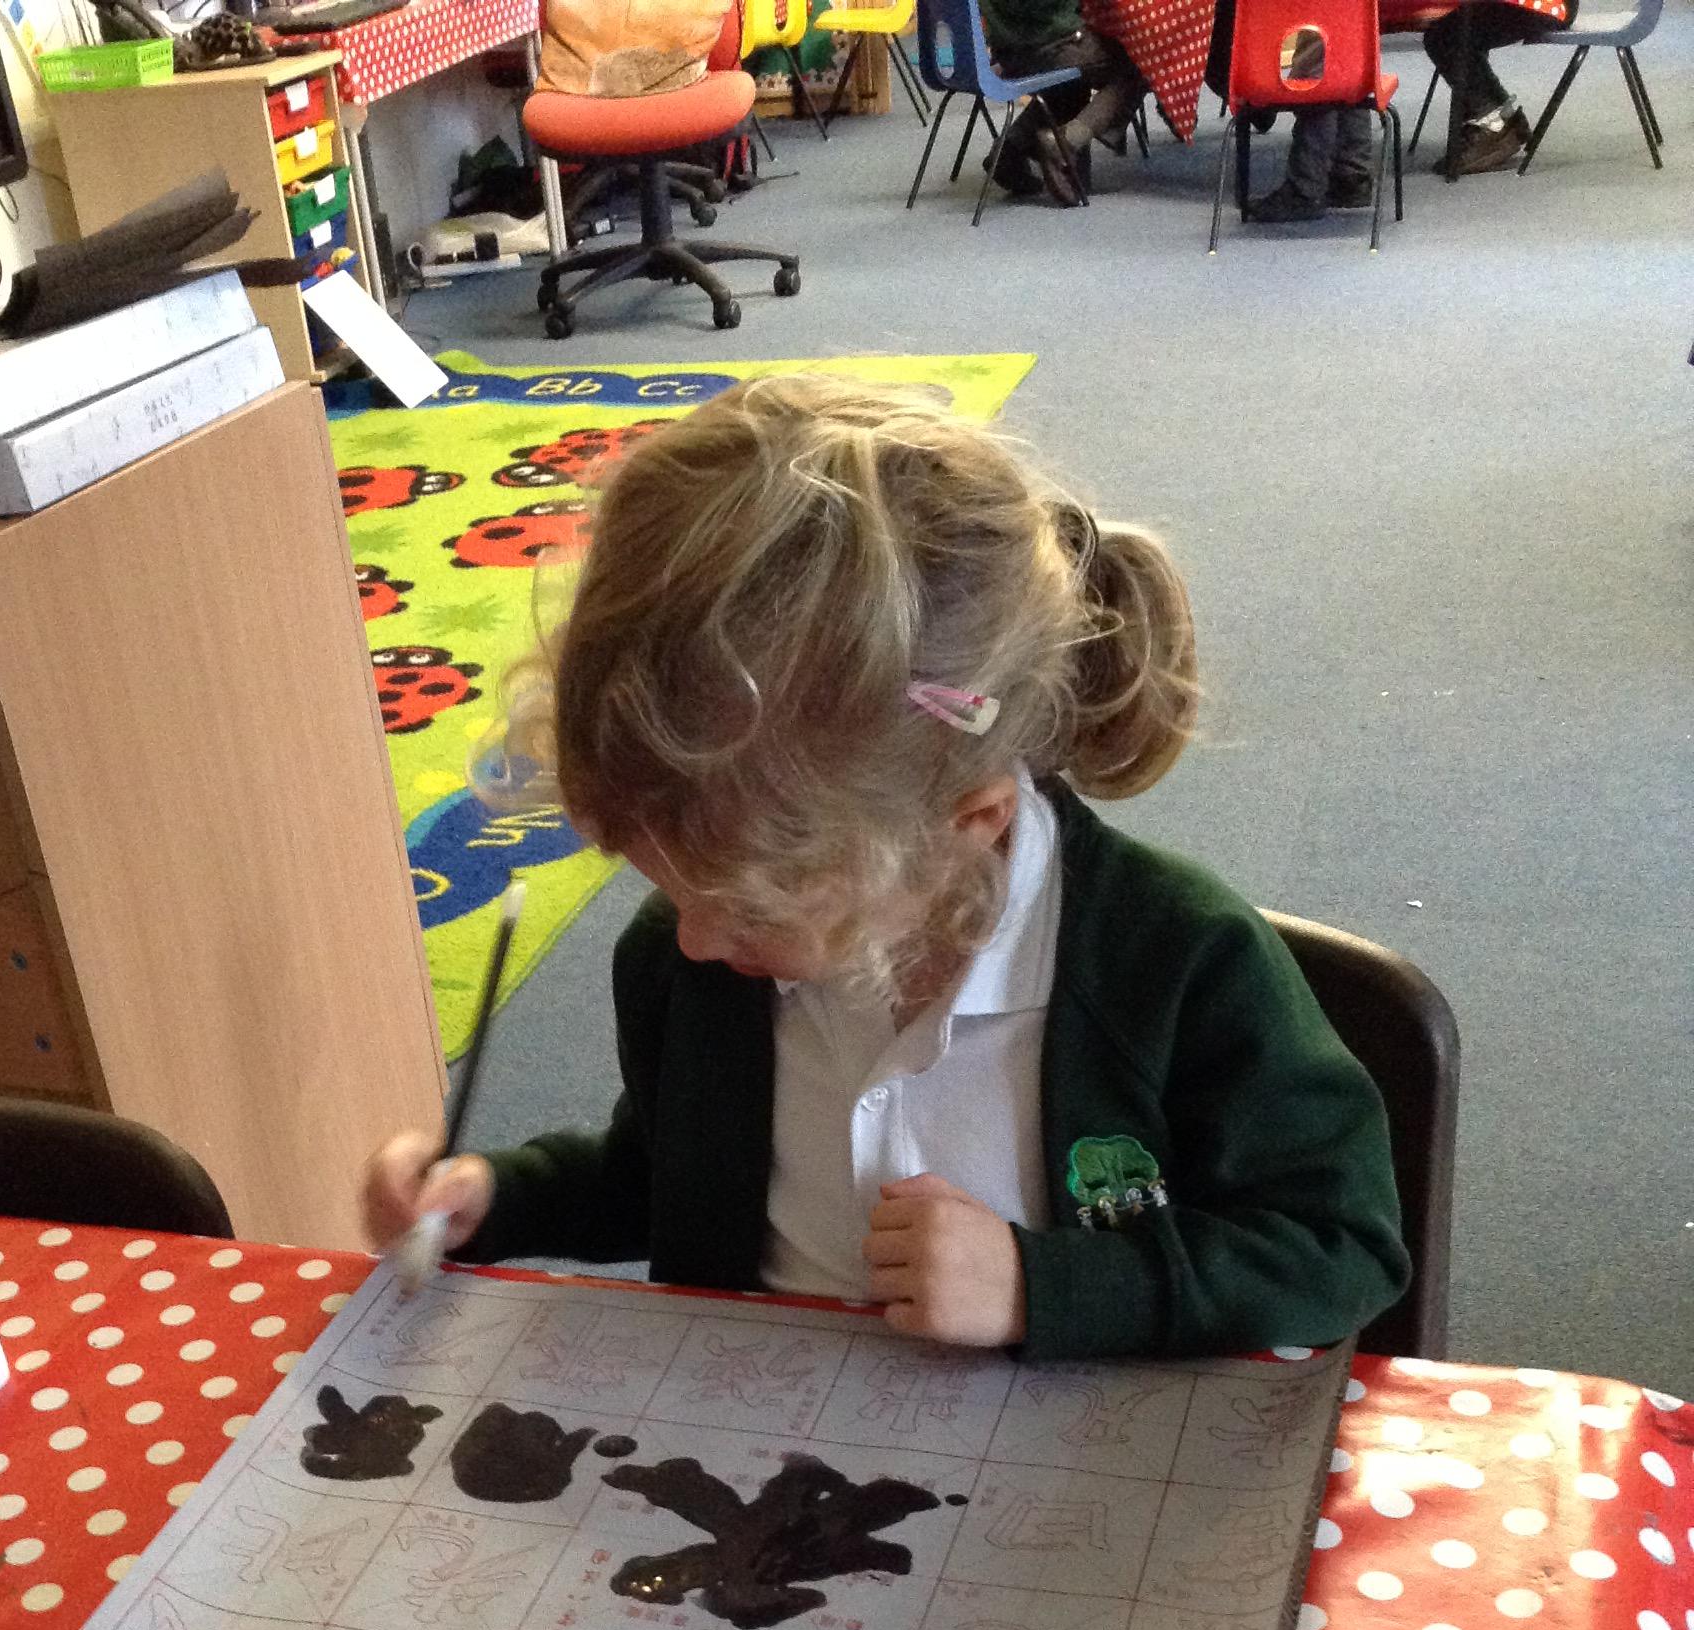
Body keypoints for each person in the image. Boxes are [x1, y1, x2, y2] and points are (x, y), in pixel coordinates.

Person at [361, 379, 1408, 1363]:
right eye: (670, 888)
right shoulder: (692, 965)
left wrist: (1040, 1286)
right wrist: (496, 1197)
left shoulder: (1177, 963)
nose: (692, 938)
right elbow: (670, 1178)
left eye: (751, 905)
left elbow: (1340, 1248)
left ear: (969, 822)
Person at [974, 0, 1147, 202]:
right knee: (1146, 55)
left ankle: (1011, 148)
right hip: (1051, 45)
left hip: (1008, 51)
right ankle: (1066, 143)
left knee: (1072, 82)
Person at [1422, 0, 1576, 174]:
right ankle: (1503, 120)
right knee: (1448, 33)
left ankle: (1494, 127)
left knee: (1446, 36)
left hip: (1549, 6)